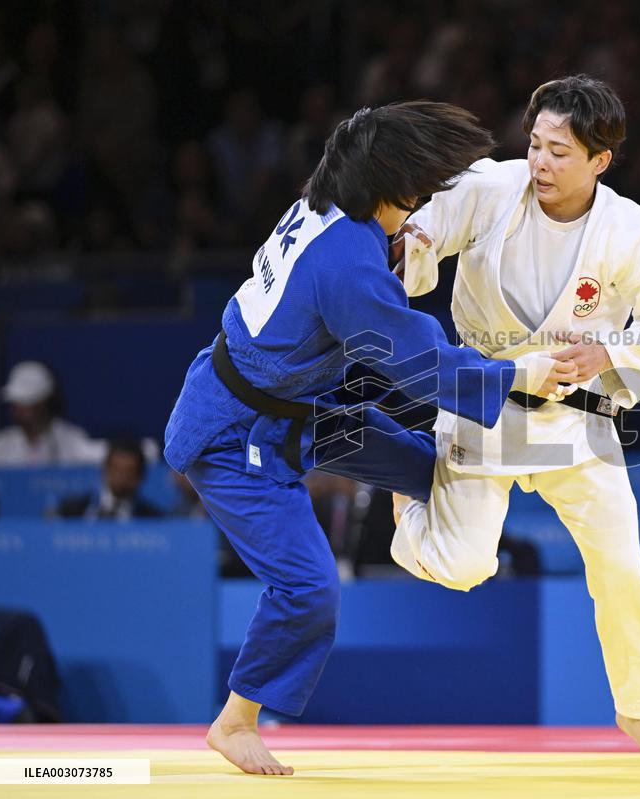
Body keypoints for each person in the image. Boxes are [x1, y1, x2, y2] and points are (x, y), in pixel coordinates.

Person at [163, 101, 572, 777]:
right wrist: (519, 374)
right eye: (417, 193)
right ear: (388, 186)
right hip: (236, 435)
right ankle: (235, 721)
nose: (421, 205)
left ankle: (409, 518)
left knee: (428, 469)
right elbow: (421, 365)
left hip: (300, 406)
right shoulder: (347, 263)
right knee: (309, 588)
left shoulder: (326, 202)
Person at [390, 76, 640, 770]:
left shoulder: (636, 229)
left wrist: (609, 352)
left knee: (619, 563)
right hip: (484, 402)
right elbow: (420, 240)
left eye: (560, 152)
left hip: (575, 420)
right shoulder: (487, 187)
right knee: (463, 565)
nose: (540, 162)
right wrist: (407, 241)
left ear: (600, 160)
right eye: (535, 144)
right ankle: (405, 493)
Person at [0, 361, 103, 466]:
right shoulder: (1, 443)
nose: (19, 409)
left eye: (26, 401)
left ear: (44, 402)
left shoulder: (72, 440)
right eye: (15, 402)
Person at [55, 439, 162, 520]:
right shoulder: (71, 511)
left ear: (139, 476)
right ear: (105, 469)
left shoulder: (152, 519)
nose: (121, 476)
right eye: (116, 469)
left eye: (128, 471)